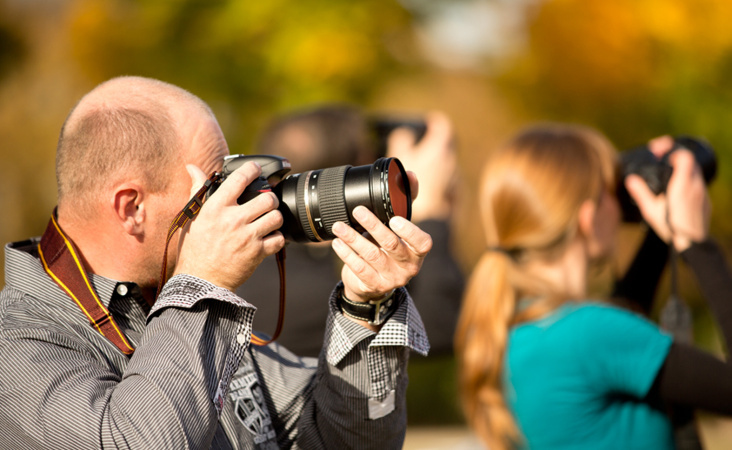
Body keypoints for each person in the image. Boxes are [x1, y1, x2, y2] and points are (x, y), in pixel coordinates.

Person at [0, 76, 433, 449]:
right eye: (215, 188)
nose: (236, 205)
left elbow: (346, 441)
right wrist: (202, 284)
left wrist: (364, 308)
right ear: (131, 207)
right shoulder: (18, 343)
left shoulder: (178, 308)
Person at [455, 122, 732, 449]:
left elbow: (621, 331)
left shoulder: (519, 327)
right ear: (588, 218)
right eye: (611, 191)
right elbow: (613, 338)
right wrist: (697, 245)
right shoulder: (592, 333)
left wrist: (663, 230)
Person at [238, 104, 464, 357]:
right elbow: (444, 327)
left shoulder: (252, 259)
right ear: (343, 184)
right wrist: (431, 212)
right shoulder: (301, 292)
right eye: (364, 169)